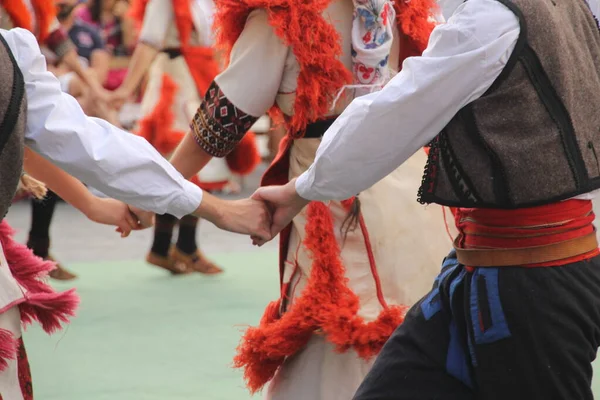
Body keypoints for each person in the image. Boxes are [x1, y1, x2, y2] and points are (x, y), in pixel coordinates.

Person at [250, 0, 600, 398]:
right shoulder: (569, 7)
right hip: (479, 269)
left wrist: (302, 188)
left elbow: (391, 116)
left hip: (531, 282)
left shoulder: (493, 19)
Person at [167, 0, 453, 398]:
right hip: (413, 185)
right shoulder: (401, 4)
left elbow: (223, 118)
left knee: (347, 338)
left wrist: (158, 184)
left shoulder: (281, 15)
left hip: (336, 192)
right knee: (421, 321)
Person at [0, 26, 269, 398]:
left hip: (194, 85)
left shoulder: (10, 54)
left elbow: (57, 134)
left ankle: (181, 246)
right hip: (180, 89)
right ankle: (168, 247)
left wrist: (93, 204)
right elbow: (146, 47)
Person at [112, 0, 260, 275]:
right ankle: (176, 247)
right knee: (187, 167)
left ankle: (173, 246)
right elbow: (149, 41)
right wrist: (126, 89)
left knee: (198, 165)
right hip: (177, 82)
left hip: (201, 76)